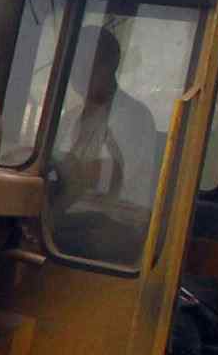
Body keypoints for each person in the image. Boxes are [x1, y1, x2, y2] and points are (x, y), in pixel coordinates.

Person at [49, 20, 163, 263]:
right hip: (76, 217)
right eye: (74, 64)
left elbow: (105, 174)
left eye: (86, 64)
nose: (78, 73)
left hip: (118, 225)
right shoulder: (70, 118)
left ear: (110, 65)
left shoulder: (134, 116)